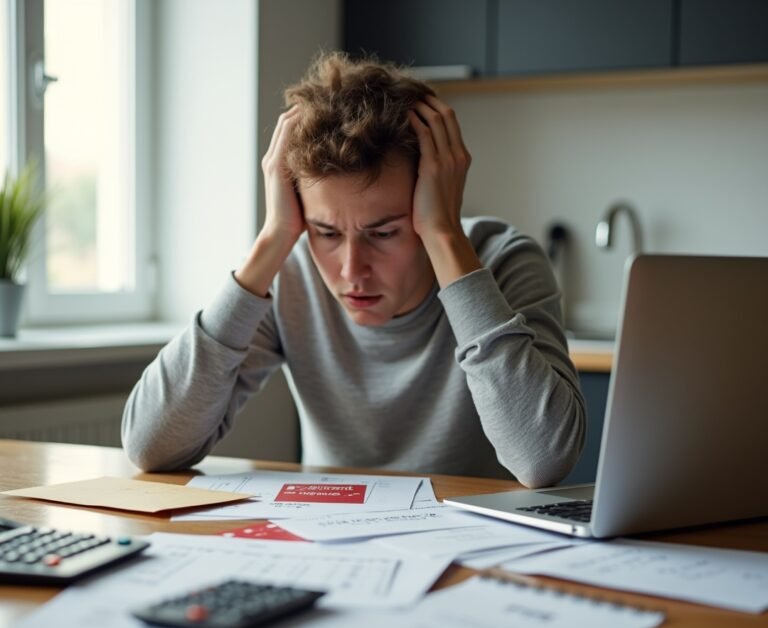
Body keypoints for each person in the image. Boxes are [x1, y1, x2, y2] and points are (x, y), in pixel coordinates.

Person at [122, 52, 585, 487]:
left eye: (383, 234)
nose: (351, 270)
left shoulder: (504, 260)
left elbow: (543, 459)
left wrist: (444, 236)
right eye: (326, 232)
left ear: (435, 202)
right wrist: (274, 237)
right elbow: (150, 447)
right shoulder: (292, 272)